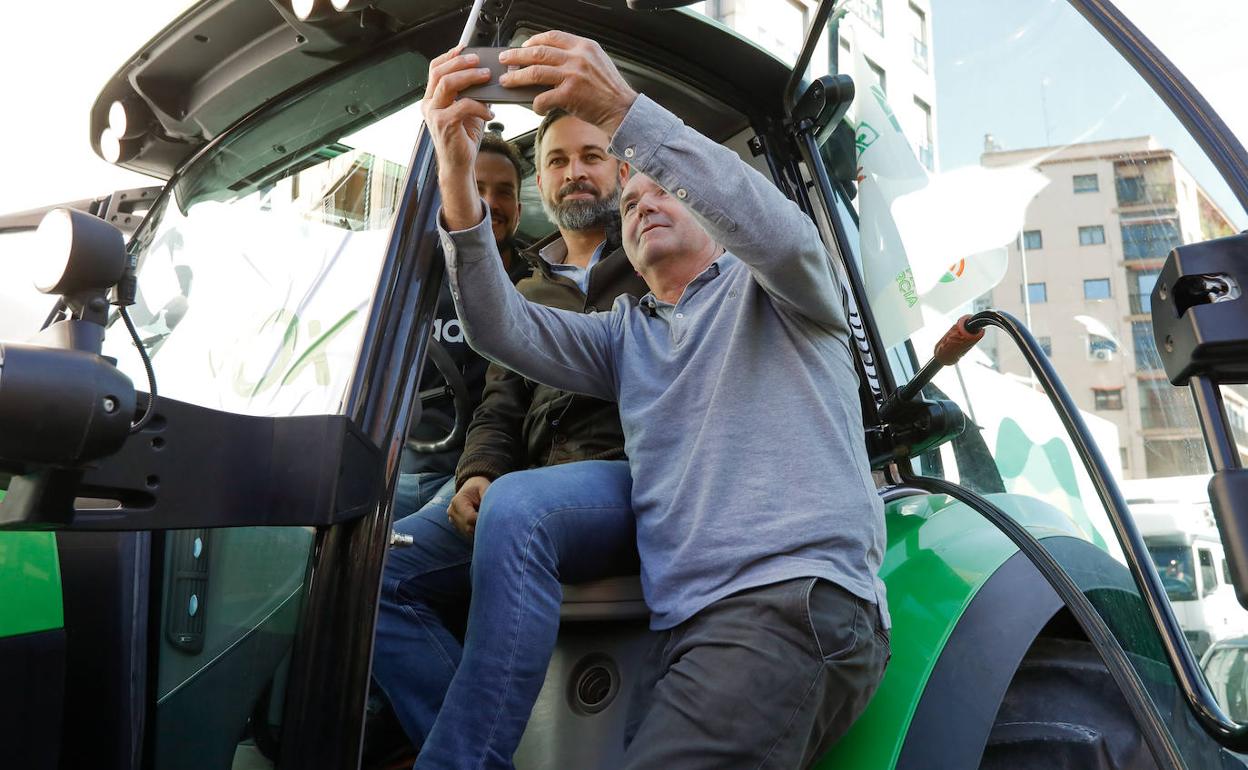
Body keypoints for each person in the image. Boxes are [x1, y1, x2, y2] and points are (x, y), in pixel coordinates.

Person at [423, 31, 890, 769]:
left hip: (786, 604)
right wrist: (455, 178)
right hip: (686, 629)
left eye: (663, 189)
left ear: (710, 209)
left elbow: (769, 226)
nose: (642, 202)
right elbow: (498, 328)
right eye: (631, 201)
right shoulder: (627, 336)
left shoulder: (780, 285)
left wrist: (621, 111)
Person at [371, 107, 649, 761]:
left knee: (519, 511)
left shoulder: (651, 262)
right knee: (380, 570)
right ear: (543, 187)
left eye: (590, 155)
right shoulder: (522, 290)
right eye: (557, 161)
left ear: (622, 168)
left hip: (627, 480)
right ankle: (466, 742)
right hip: (528, 487)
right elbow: (498, 408)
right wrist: (477, 475)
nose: (574, 172)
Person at [394, 133, 531, 516]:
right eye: (475, 187)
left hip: (479, 477)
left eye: (503, 192)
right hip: (399, 470)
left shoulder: (536, 289)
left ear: (519, 210)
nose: (489, 202)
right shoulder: (410, 283)